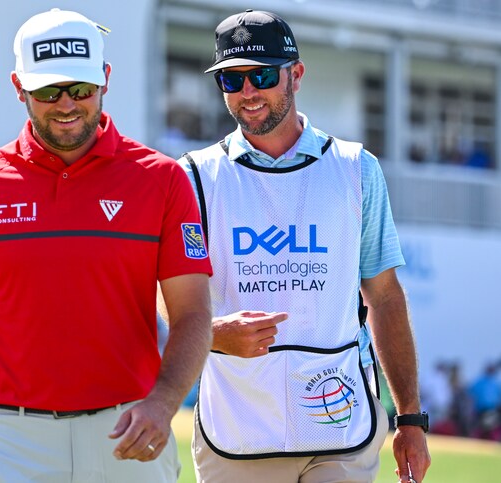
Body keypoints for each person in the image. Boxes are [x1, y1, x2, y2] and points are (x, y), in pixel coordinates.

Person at [0, 9, 213, 482]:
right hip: (10, 440)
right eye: (48, 91)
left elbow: (192, 313)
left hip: (127, 430)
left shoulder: (162, 179)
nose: (66, 104)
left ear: (105, 80)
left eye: (81, 89)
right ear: (18, 87)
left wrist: (163, 402)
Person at [180, 10, 431, 482]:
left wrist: (410, 418)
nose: (248, 91)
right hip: (238, 425)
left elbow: (384, 296)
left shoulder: (357, 168)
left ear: (295, 73)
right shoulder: (193, 176)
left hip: (339, 424)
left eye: (262, 75)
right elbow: (166, 293)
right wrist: (212, 334)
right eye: (232, 80)